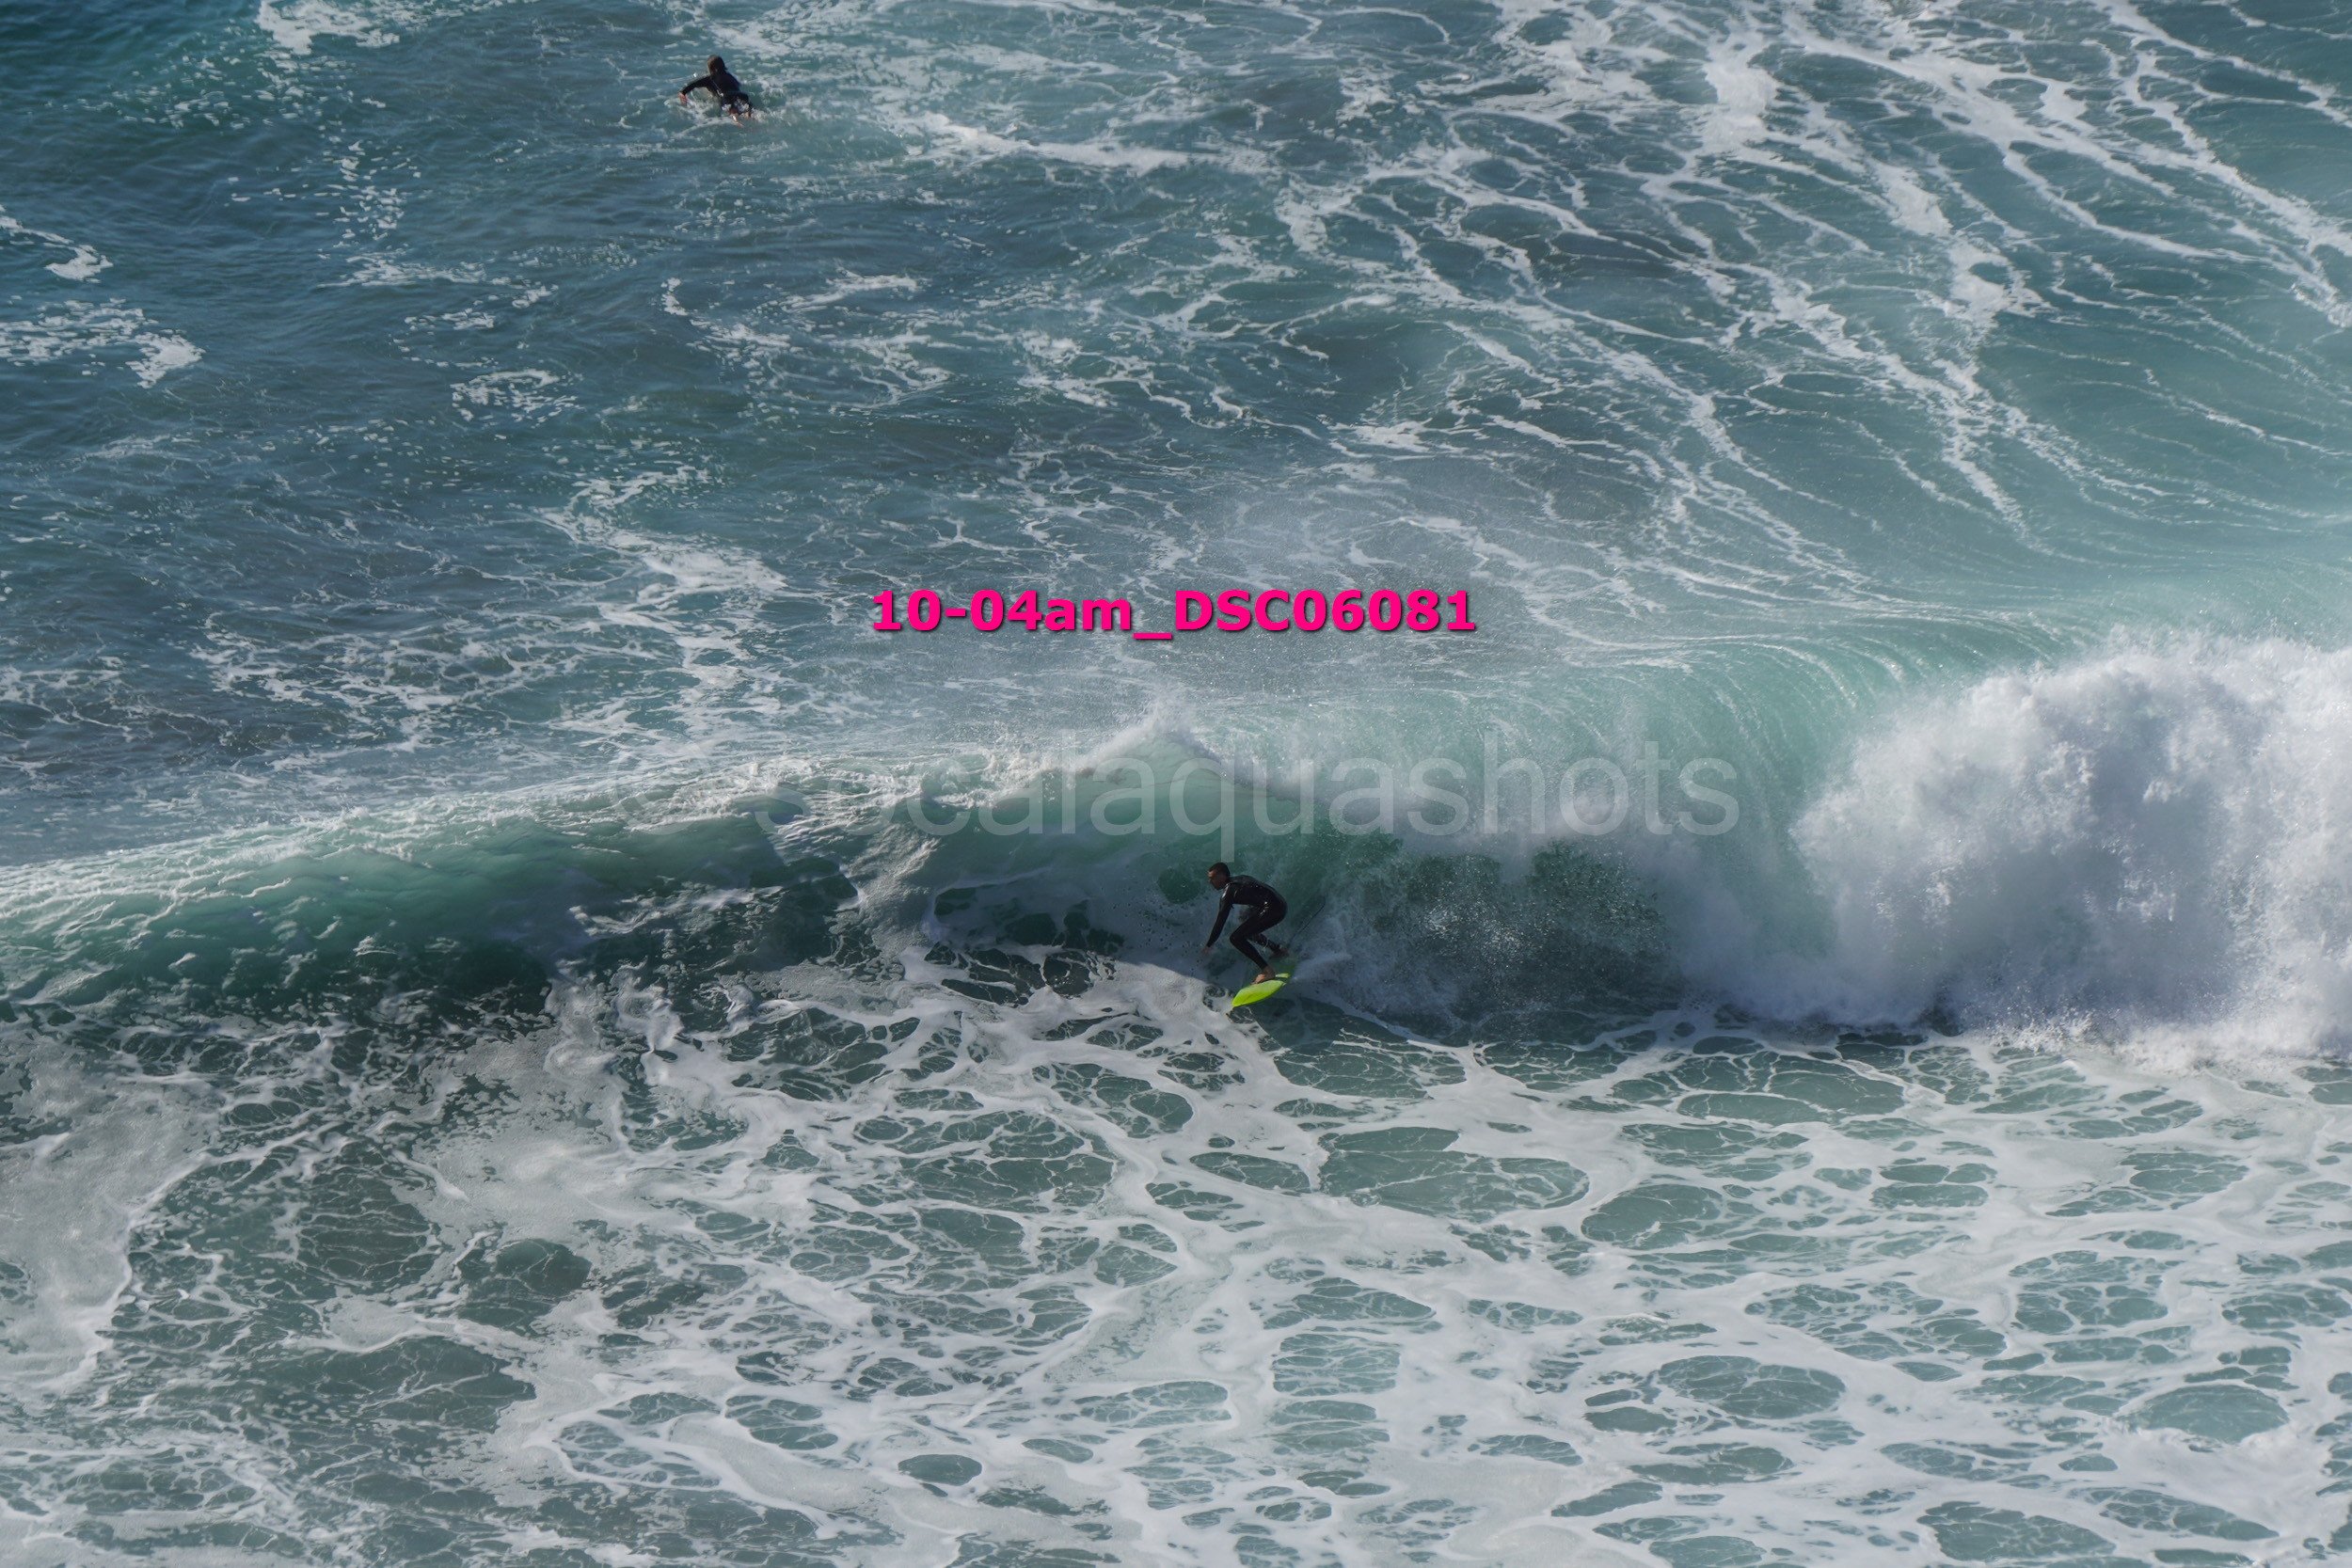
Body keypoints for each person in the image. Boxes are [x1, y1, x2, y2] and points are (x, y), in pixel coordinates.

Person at [1200, 863, 1289, 982]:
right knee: (1245, 923)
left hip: (1273, 909)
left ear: (1222, 876)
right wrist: (1248, 913)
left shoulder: (1228, 893)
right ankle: (1278, 950)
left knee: (1235, 938)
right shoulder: (1240, 878)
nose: (1210, 882)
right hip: (1281, 904)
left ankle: (1267, 971)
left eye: (1212, 878)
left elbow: (1220, 921)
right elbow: (1260, 892)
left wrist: (1209, 944)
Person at [679, 55, 755, 119]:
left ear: (710, 68)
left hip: (726, 97)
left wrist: (682, 93)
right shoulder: (730, 76)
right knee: (748, 111)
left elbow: (693, 85)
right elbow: (739, 85)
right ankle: (750, 117)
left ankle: (738, 122)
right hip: (742, 95)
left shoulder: (710, 78)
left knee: (734, 113)